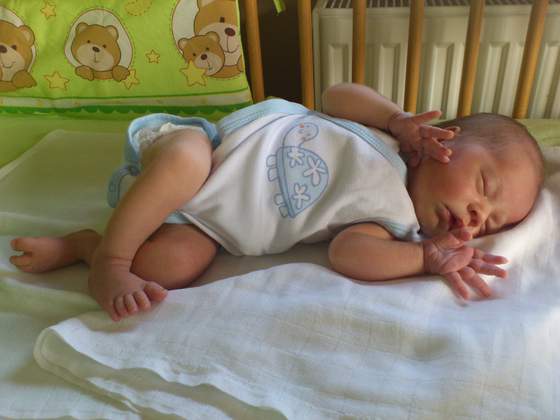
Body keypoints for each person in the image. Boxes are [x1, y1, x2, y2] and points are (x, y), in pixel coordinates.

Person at [9, 83, 544, 322]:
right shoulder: (390, 134)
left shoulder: (394, 222)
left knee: (170, 268)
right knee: (185, 163)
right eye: (485, 186)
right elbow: (335, 94)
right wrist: (396, 117)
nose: (479, 216)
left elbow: (350, 254)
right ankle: (112, 262)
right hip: (209, 150)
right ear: (447, 136)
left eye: (491, 222)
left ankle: (86, 247)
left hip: (209, 222)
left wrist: (424, 257)